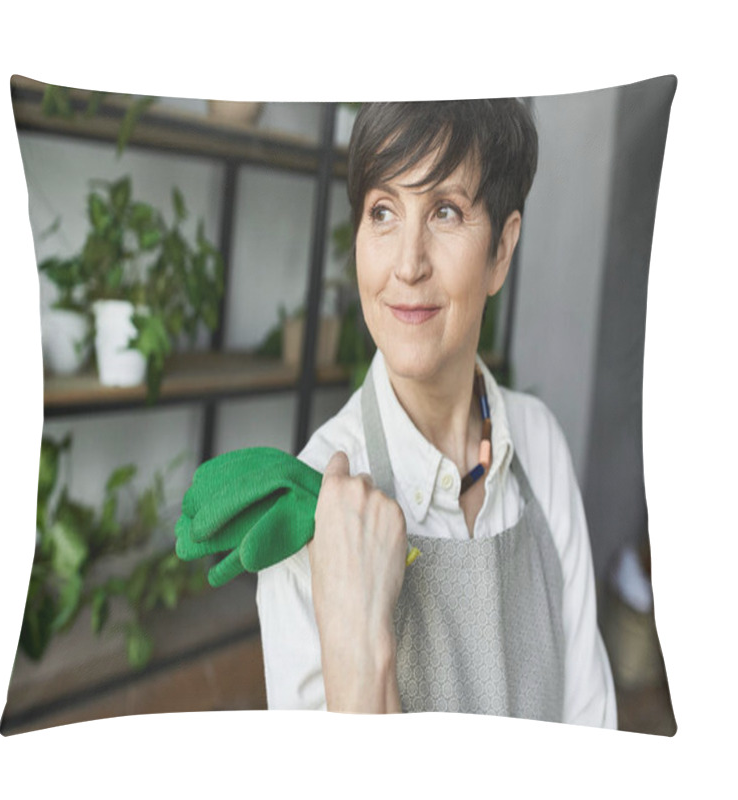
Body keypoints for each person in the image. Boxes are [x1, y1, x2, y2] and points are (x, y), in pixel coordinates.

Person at [255, 100, 617, 725]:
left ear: (501, 250)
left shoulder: (540, 444)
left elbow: (591, 725)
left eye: (445, 211)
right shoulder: (311, 508)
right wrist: (357, 647)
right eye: (383, 212)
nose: (407, 263)